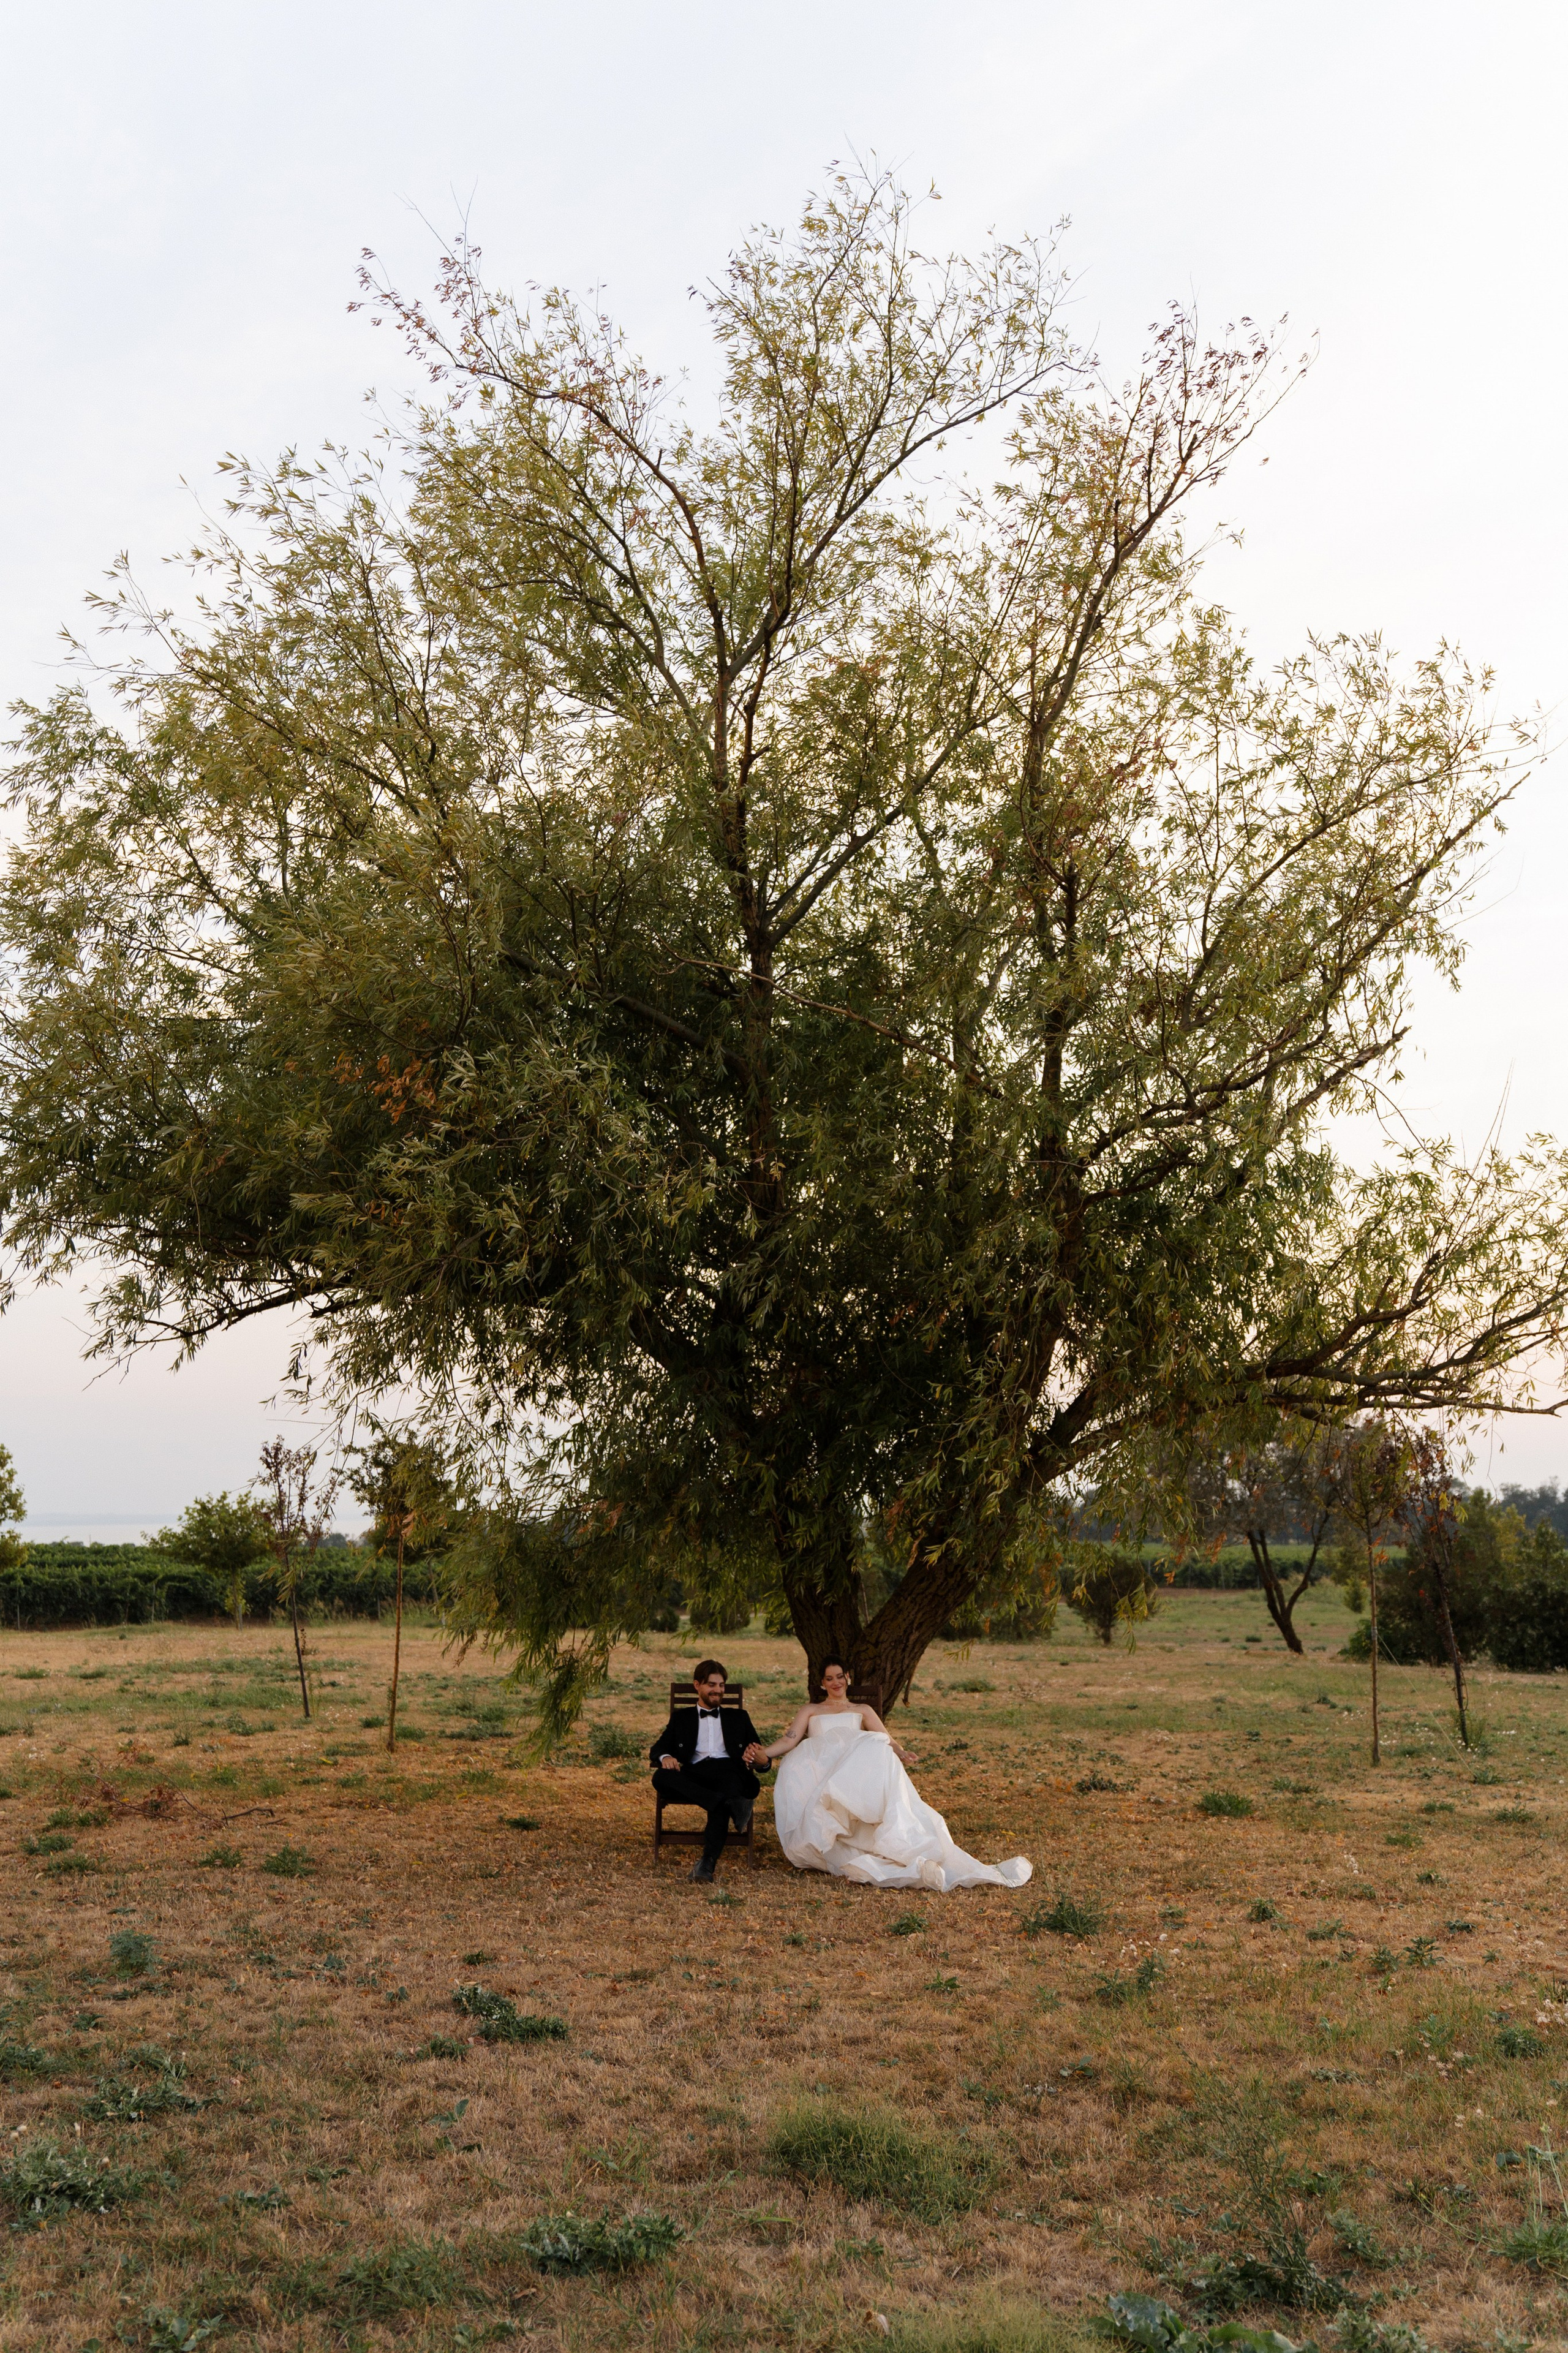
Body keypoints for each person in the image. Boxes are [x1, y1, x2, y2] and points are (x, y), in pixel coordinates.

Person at [762, 1658, 1031, 1890]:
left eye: (840, 1677)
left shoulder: (862, 1710)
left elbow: (885, 1738)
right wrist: (765, 1753)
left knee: (874, 1745)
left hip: (855, 1774)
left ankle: (895, 1843)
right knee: (830, 1760)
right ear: (822, 1683)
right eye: (829, 1679)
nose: (836, 1683)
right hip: (821, 1771)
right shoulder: (811, 1710)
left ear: (848, 1678)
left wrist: (902, 1753)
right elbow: (790, 1740)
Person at [649, 1658, 772, 1883]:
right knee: (660, 1777)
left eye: (722, 1685)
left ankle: (706, 1864)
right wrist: (666, 1757)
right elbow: (658, 1749)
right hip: (695, 1774)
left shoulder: (739, 1718)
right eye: (712, 1685)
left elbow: (760, 1755)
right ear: (698, 1685)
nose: (718, 1690)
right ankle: (720, 1803)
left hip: (729, 1773)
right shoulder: (681, 1718)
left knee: (727, 1790)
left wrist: (762, 1762)